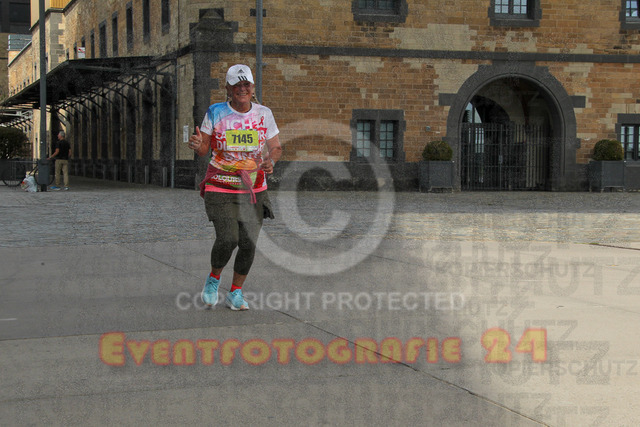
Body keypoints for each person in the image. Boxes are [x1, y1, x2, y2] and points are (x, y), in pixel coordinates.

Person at [188, 64, 282, 311]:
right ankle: (213, 279)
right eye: (236, 85)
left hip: (253, 189)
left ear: (252, 87)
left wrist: (271, 161)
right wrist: (197, 144)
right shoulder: (216, 112)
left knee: (248, 242)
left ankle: (235, 293)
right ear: (228, 89)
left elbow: (275, 147)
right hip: (220, 185)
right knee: (228, 238)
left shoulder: (264, 114)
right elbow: (204, 149)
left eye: (246, 84)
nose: (242, 89)